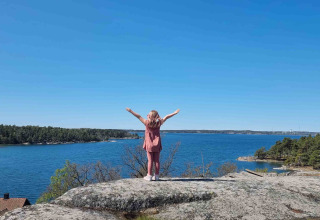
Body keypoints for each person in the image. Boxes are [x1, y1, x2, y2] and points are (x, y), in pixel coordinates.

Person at [126, 108, 180, 181]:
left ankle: (149, 176)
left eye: (148, 114)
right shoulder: (159, 123)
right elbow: (167, 116)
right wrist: (174, 113)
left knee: (150, 161)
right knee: (157, 161)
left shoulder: (146, 122)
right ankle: (157, 176)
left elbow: (138, 116)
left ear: (150, 116)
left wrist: (130, 111)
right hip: (157, 144)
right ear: (157, 116)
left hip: (149, 144)